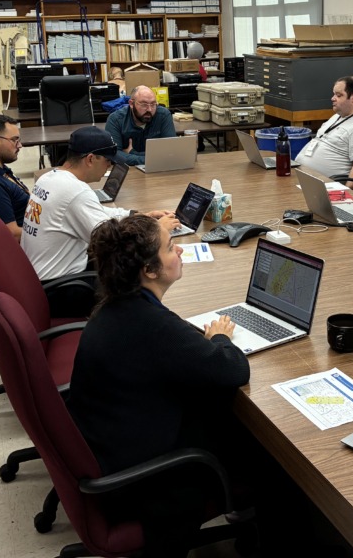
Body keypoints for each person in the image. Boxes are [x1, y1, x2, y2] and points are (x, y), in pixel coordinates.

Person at [67, 214, 249, 555]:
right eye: (169, 247)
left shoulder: (115, 307)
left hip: (113, 448)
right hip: (145, 485)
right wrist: (222, 338)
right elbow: (232, 370)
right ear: (149, 270)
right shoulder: (150, 326)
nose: (179, 250)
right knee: (260, 446)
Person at [21, 127, 180, 316]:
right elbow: (115, 242)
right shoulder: (75, 190)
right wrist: (156, 230)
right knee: (138, 273)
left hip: (38, 283)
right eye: (108, 161)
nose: (109, 167)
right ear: (90, 159)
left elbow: (100, 213)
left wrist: (140, 216)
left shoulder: (49, 178)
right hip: (60, 290)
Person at [294, 76, 353, 191]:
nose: (332, 98)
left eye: (339, 95)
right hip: (301, 178)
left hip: (323, 188)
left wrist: (343, 196)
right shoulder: (338, 116)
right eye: (334, 94)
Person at [105, 85, 176, 166]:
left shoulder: (163, 115)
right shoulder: (115, 119)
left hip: (158, 169)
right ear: (131, 104)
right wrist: (149, 159)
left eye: (153, 104)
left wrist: (132, 153)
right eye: (144, 104)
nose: (149, 109)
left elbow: (171, 151)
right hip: (129, 172)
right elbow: (113, 154)